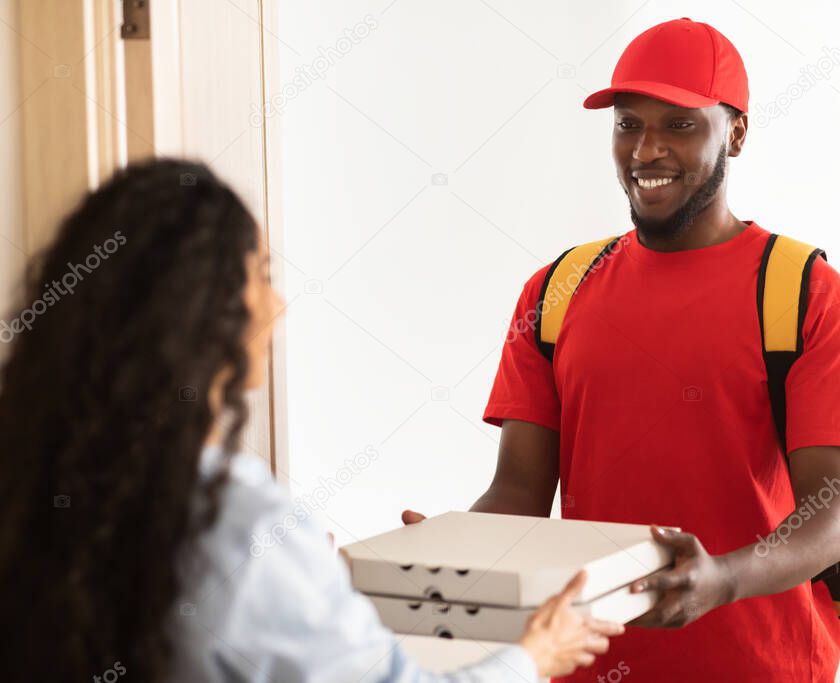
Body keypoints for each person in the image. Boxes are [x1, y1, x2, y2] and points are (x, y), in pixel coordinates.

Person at [0, 159, 622, 682]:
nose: (278, 304)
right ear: (203, 311)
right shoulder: (236, 522)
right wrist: (535, 655)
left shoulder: (40, 482)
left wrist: (312, 588)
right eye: (262, 276)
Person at [405, 16, 840, 683]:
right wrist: (451, 554)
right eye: (628, 123)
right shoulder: (557, 291)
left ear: (735, 131)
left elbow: (830, 517)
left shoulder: (801, 291)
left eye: (679, 124)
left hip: (760, 666)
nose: (646, 150)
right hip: (582, 663)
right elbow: (518, 492)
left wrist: (722, 579)